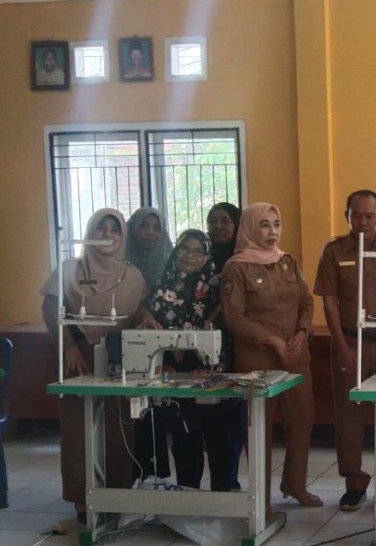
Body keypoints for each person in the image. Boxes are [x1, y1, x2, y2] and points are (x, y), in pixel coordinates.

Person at [40, 208, 148, 519]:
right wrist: (69, 347)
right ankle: (82, 498)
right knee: (80, 428)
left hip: (118, 357)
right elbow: (50, 309)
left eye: (115, 229)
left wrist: (147, 319)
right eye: (101, 227)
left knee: (118, 427)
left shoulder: (133, 276)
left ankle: (116, 495)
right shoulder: (69, 270)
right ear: (89, 231)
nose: (107, 234)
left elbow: (138, 310)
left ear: (123, 236)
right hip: (80, 358)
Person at [313, 189, 376, 511]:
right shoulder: (334, 251)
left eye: (370, 216)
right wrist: (341, 346)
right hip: (349, 343)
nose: (363, 222)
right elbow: (328, 300)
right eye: (356, 215)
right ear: (347, 217)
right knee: (348, 417)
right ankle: (354, 484)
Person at [220, 203, 323, 508]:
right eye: (264, 225)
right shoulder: (236, 268)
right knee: (259, 429)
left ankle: (295, 484)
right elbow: (234, 318)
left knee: (302, 418)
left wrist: (302, 332)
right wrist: (272, 340)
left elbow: (306, 302)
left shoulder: (287, 262)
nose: (272, 232)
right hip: (257, 360)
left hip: (295, 356)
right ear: (251, 228)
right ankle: (260, 500)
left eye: (277, 224)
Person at [133, 230, 235, 491]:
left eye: (198, 251)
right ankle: (188, 493)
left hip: (208, 370)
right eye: (184, 248)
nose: (190, 255)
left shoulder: (217, 289)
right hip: (171, 372)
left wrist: (216, 366)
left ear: (207, 256)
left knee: (218, 438)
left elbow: (227, 331)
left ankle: (223, 495)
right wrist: (160, 363)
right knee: (184, 438)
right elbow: (149, 326)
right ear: (176, 250)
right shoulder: (160, 285)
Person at [206, 202, 245, 486]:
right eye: (213, 220)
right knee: (208, 416)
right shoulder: (199, 256)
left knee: (231, 414)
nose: (218, 226)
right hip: (202, 347)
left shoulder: (245, 259)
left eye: (225, 220)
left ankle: (228, 480)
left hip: (236, 345)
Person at [125, 207, 173, 292]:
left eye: (156, 228)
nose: (150, 232)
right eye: (143, 226)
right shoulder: (117, 261)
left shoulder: (172, 264)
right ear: (133, 227)